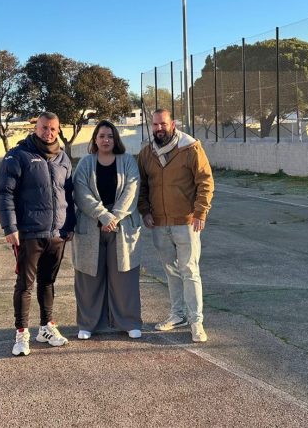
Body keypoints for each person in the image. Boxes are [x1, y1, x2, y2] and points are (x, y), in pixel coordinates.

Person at [0, 111, 76, 357]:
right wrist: (10, 227)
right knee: (25, 285)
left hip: (57, 234)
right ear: (35, 128)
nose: (48, 133)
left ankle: (46, 327)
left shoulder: (63, 158)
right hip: (29, 233)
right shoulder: (18, 156)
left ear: (58, 129)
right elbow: (4, 193)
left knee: (48, 282)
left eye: (53, 129)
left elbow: (69, 195)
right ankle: (21, 333)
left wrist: (69, 226)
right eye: (44, 128)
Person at [137, 109, 214, 343]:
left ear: (173, 124)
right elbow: (143, 186)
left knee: (190, 271)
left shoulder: (190, 148)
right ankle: (177, 314)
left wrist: (201, 211)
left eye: (163, 124)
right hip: (159, 223)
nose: (159, 128)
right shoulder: (146, 153)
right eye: (155, 125)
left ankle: (196, 321)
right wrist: (145, 211)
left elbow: (205, 181)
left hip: (186, 222)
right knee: (170, 271)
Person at [72, 120, 143, 340]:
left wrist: (113, 218)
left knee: (124, 276)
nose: (106, 140)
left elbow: (132, 190)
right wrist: (102, 215)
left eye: (110, 136)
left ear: (116, 139)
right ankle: (88, 324)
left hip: (122, 228)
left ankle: (129, 322)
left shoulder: (128, 161)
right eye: (102, 136)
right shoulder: (85, 163)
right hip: (90, 226)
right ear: (95, 139)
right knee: (89, 277)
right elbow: (81, 192)